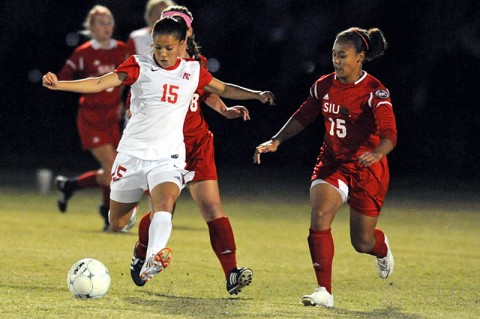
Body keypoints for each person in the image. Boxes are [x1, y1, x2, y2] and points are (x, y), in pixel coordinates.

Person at [43, 17, 275, 292]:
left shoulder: (192, 71)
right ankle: (135, 223)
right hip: (131, 156)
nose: (162, 54)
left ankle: (153, 257)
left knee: (165, 203)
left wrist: (256, 95)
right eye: (157, 47)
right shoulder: (139, 64)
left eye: (168, 48)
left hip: (168, 157)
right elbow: (99, 82)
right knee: (116, 223)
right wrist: (61, 85)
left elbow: (222, 88)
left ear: (181, 45)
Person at [254, 27, 396, 308]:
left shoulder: (374, 91)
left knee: (362, 242)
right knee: (319, 214)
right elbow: (303, 116)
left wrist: (378, 152)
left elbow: (390, 132)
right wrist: (276, 140)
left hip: (368, 169)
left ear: (360, 57)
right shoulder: (323, 85)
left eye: (342, 55)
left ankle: (381, 249)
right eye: (333, 55)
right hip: (332, 163)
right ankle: (324, 291)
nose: (336, 60)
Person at [129, 5, 255, 296]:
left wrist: (224, 111)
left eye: (177, 25)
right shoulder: (148, 64)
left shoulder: (198, 63)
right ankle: (142, 253)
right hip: (163, 146)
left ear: (187, 34)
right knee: (164, 210)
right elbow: (134, 103)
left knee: (212, 208)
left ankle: (231, 273)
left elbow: (208, 92)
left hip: (197, 144)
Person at [54, 5, 129, 231]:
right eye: (100, 22)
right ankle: (109, 216)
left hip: (111, 118)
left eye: (108, 22)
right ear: (91, 27)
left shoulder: (123, 50)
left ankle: (71, 185)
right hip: (91, 118)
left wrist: (121, 102)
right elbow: (63, 78)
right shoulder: (84, 52)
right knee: (113, 166)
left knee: (112, 170)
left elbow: (132, 78)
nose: (105, 27)